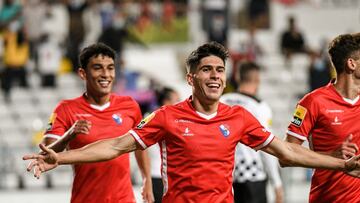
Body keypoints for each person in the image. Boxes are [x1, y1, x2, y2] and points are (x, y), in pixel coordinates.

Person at [23, 41, 360, 203]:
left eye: (219, 71)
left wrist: (341, 164)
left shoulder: (240, 117)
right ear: (191, 78)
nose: (215, 76)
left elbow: (288, 154)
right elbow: (115, 145)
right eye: (207, 70)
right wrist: (61, 156)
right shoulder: (167, 117)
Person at [30, 43, 154, 203]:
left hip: (124, 199)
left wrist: (147, 180)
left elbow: (140, 144)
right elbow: (47, 154)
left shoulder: (130, 106)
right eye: (97, 68)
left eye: (110, 68)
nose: (105, 74)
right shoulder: (66, 109)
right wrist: (69, 135)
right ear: (83, 73)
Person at [285, 33, 360, 202]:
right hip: (327, 198)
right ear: (351, 64)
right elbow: (286, 154)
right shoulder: (312, 102)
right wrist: (331, 156)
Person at [221, 62, 283, 203]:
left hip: (226, 178)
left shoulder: (222, 101)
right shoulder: (259, 107)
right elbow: (267, 146)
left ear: (237, 77)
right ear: (257, 80)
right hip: (253, 177)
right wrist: (277, 183)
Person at [148, 87, 180, 203]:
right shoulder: (156, 119)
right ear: (166, 102)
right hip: (157, 176)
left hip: (167, 176)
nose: (180, 103)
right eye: (177, 99)